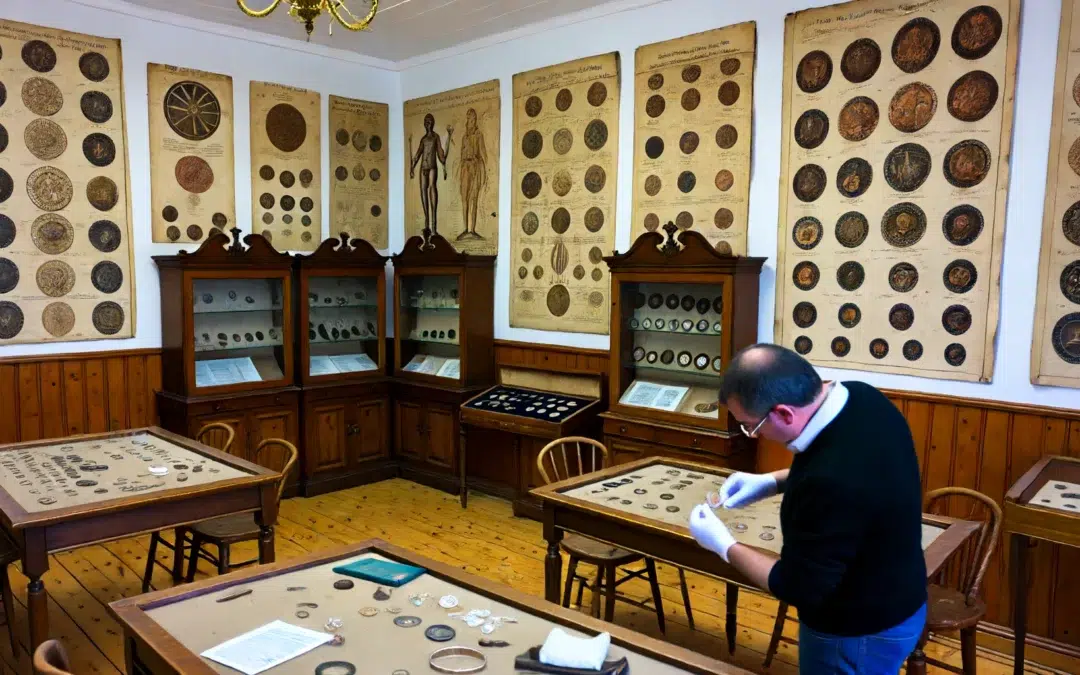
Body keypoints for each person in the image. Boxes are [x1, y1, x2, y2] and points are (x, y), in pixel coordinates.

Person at [688, 343, 927, 674]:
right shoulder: (862, 398)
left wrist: (722, 544)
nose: (753, 436)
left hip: (857, 630)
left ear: (785, 412)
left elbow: (797, 586)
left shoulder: (828, 483)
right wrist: (772, 481)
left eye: (752, 426)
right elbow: (854, 470)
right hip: (904, 598)